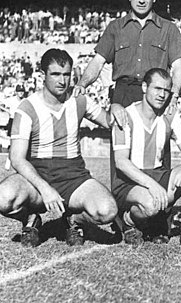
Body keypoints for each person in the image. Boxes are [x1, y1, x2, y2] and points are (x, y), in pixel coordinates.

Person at [73, 0, 181, 197]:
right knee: (121, 156)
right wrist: (82, 84)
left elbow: (177, 67)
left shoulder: (169, 29)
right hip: (124, 95)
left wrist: (173, 97)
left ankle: (157, 223)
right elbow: (97, 62)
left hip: (156, 96)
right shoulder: (115, 27)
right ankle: (123, 222)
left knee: (159, 155)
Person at [0, 49, 118, 247]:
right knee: (3, 197)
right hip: (38, 176)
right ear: (42, 75)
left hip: (73, 176)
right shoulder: (27, 107)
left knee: (107, 211)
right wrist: (44, 188)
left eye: (66, 74)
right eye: (55, 74)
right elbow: (17, 158)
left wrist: (117, 106)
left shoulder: (80, 100)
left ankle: (73, 219)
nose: (62, 81)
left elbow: (111, 122)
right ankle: (30, 217)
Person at [112, 68, 181, 245]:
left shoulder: (170, 115)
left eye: (166, 90)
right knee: (151, 204)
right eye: (157, 89)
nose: (162, 95)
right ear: (144, 87)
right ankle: (127, 219)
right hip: (128, 181)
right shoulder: (126, 115)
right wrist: (152, 186)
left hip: (157, 174)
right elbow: (121, 162)